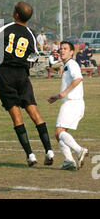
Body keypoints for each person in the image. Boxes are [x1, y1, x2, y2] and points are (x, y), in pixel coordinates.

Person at [0, 2, 54, 167]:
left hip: (5, 74)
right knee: (34, 111)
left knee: (16, 115)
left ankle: (30, 155)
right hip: (22, 75)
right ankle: (49, 150)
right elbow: (34, 56)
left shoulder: (6, 27)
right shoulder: (31, 33)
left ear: (16, 14)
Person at [47, 41, 88, 170]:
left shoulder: (71, 64)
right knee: (58, 133)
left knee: (59, 132)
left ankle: (79, 150)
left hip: (72, 103)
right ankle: (69, 160)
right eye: (60, 49)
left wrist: (64, 92)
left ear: (71, 52)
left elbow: (78, 78)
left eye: (65, 49)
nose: (62, 51)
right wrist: (58, 96)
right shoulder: (66, 65)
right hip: (71, 102)